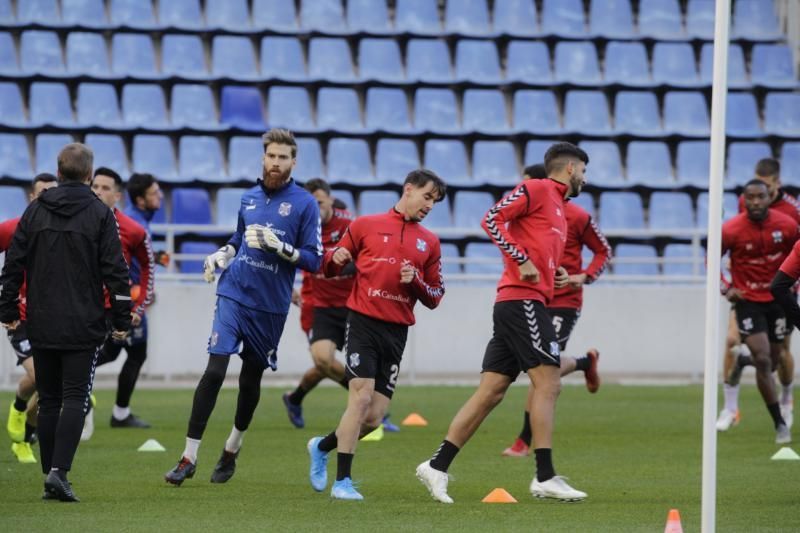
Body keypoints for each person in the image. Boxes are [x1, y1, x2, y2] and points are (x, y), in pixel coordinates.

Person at [416, 142, 589, 504]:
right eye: (584, 172)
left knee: (491, 392)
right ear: (570, 168)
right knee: (549, 381)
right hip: (521, 302)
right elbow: (491, 219)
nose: (585, 180)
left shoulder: (559, 206)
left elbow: (535, 244)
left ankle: (436, 465)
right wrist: (521, 257)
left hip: (524, 301)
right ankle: (544, 476)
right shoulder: (538, 188)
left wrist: (551, 271)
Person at [164, 128, 322, 486]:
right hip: (233, 293)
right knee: (215, 370)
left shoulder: (305, 204)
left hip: (270, 307)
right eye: (271, 156)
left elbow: (314, 261)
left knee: (250, 380)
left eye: (283, 157)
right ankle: (188, 457)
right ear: (263, 158)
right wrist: (223, 255)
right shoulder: (249, 197)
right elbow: (238, 239)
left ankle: (232, 449)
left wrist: (280, 248)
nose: (276, 163)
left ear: (293, 162)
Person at [0, 143, 131, 502]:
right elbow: (116, 273)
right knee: (75, 397)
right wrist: (122, 320)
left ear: (58, 173)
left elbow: (12, 264)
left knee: (51, 399)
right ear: (89, 176)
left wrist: (8, 311)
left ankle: (49, 474)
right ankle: (59, 473)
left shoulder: (35, 211)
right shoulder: (101, 214)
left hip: (40, 321)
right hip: (83, 322)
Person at [306, 169, 447, 501]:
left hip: (397, 332)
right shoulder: (365, 225)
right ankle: (343, 482)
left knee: (373, 418)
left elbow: (435, 296)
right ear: (408, 189)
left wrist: (415, 281)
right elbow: (326, 267)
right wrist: (334, 258)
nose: (429, 205)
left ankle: (321, 446)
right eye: (427, 196)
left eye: (435, 201)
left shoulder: (431, 241)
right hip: (363, 322)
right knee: (361, 396)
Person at [502, 163, 611, 457]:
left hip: (564, 301)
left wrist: (583, 277)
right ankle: (585, 363)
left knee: (543, 370)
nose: (520, 190)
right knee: (538, 368)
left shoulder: (577, 216)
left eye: (525, 184)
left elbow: (604, 251)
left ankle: (524, 441)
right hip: (531, 295)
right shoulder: (525, 214)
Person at [718, 158, 799, 431]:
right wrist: (726, 285)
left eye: (763, 191)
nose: (754, 201)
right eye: (751, 195)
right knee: (732, 340)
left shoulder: (790, 214)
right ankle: (730, 408)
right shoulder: (742, 213)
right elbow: (723, 249)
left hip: (779, 293)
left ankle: (787, 401)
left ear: (776, 184)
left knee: (779, 355)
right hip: (748, 294)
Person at [82, 172, 165, 439]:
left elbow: (141, 260)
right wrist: (135, 302)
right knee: (114, 352)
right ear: (139, 200)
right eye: (154, 193)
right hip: (118, 303)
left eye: (104, 187)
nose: (160, 196)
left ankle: (118, 412)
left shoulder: (136, 224)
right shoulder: (131, 223)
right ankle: (82, 393)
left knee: (128, 353)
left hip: (128, 301)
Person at [282, 178, 354, 429]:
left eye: (320, 202)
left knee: (330, 365)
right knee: (323, 359)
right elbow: (281, 255)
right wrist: (288, 287)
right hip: (318, 303)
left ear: (330, 201)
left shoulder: (349, 224)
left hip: (352, 304)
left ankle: (295, 398)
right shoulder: (299, 227)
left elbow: (368, 253)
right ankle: (365, 399)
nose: (315, 208)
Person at [2, 173, 58, 463]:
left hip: (52, 317)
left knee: (46, 385)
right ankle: (19, 412)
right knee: (42, 377)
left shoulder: (63, 230)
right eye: (43, 192)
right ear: (32, 197)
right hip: (19, 318)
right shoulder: (13, 228)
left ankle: (24, 433)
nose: (49, 197)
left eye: (53, 192)